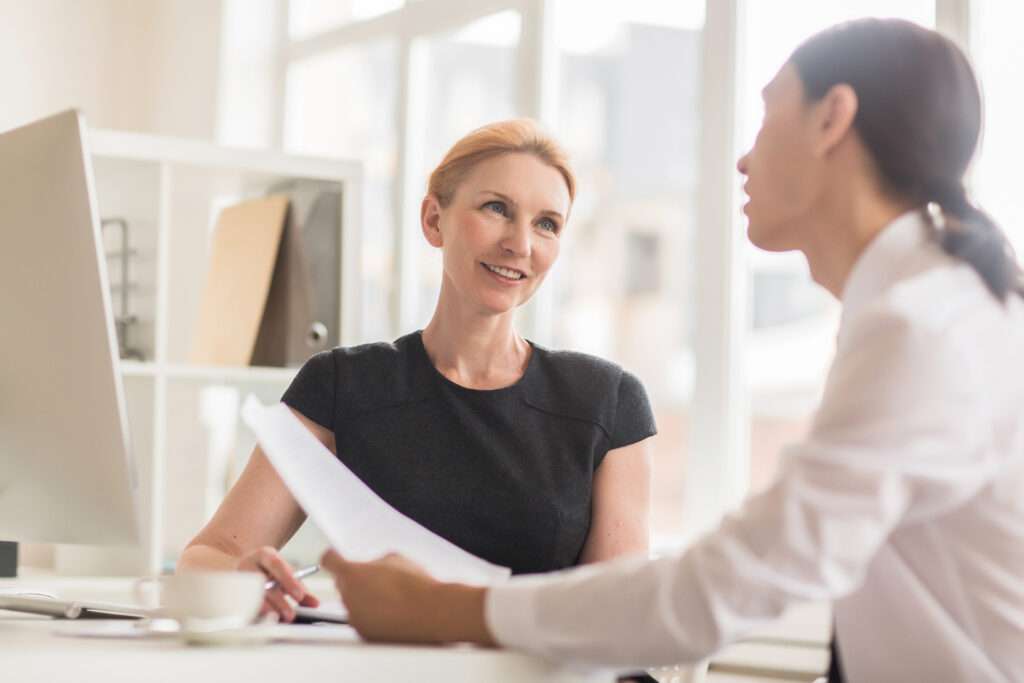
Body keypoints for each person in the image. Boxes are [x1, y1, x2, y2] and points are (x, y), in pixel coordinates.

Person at [318, 18, 1024, 682]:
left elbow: (728, 585)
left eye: (767, 113)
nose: (744, 159)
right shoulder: (929, 307)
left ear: (831, 118)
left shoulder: (921, 330)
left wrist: (438, 608)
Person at [178, 119, 657, 622]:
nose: (521, 244)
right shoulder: (343, 385)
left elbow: (619, 616)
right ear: (433, 219)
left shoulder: (607, 401)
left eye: (547, 224)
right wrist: (243, 578)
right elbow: (207, 555)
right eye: (497, 208)